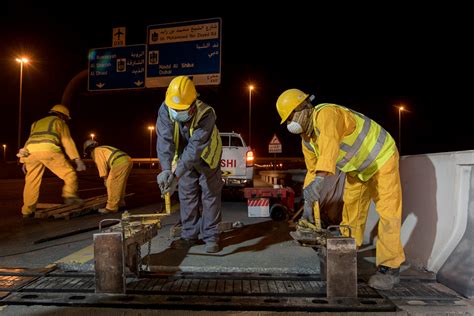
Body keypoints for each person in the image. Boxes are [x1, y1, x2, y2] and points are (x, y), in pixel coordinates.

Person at [276, 89, 405, 290]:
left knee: (388, 211)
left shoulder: (326, 114)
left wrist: (321, 178)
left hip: (382, 158)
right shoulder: (307, 141)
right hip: (357, 169)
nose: (291, 123)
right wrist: (309, 204)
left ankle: (390, 267)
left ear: (304, 108)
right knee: (352, 210)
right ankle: (347, 251)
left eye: (291, 116)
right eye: (288, 120)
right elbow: (311, 172)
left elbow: (329, 144)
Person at [156, 75, 223, 253]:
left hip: (208, 157)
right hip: (184, 161)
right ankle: (189, 235)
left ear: (193, 103)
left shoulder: (206, 114)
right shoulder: (165, 109)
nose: (177, 112)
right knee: (187, 195)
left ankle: (211, 237)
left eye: (182, 109)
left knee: (210, 194)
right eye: (174, 108)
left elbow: (194, 149)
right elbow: (164, 140)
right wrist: (165, 170)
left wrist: (175, 175)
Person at [18, 104, 86, 218]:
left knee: (31, 182)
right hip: (49, 150)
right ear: (63, 116)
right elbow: (67, 141)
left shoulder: (36, 123)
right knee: (69, 174)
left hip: (30, 153)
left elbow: (29, 140)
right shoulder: (60, 122)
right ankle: (69, 196)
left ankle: (27, 211)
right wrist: (77, 159)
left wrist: (23, 160)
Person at [83, 140, 133, 214]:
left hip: (119, 162)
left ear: (89, 150)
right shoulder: (103, 148)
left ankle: (111, 208)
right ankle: (120, 203)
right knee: (120, 183)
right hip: (127, 160)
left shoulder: (96, 151)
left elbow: (102, 166)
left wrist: (105, 179)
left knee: (111, 184)